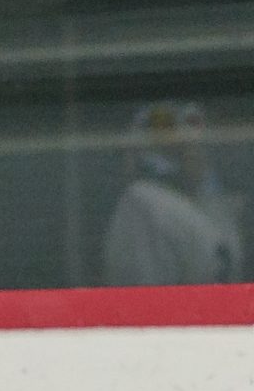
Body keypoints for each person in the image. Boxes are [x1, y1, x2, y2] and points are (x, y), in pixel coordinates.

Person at [104, 101, 244, 286]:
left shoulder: (223, 207)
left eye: (193, 124)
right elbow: (145, 303)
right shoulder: (144, 203)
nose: (184, 141)